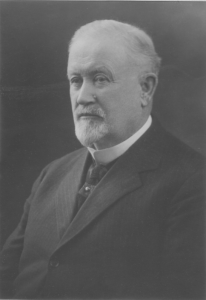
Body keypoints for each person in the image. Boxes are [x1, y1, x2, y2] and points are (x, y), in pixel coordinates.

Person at [0, 20, 205, 299]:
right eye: (75, 81)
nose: (82, 97)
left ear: (145, 88)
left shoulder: (193, 180)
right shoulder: (53, 173)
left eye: (100, 78)